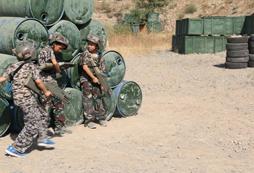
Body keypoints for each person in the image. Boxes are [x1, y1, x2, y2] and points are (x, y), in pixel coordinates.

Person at [0, 40, 55, 157]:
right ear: (31, 54)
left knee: (42, 113)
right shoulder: (31, 66)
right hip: (27, 100)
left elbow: (3, 79)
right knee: (32, 124)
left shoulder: (12, 66)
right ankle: (16, 148)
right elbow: (39, 81)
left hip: (19, 99)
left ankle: (43, 138)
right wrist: (46, 92)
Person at [37, 33, 72, 135]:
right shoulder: (48, 50)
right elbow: (55, 64)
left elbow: (50, 66)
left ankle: (59, 127)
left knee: (58, 103)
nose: (60, 51)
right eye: (60, 48)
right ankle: (44, 129)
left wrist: (61, 67)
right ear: (54, 43)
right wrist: (58, 70)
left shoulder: (48, 51)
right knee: (46, 105)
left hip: (51, 83)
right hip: (46, 83)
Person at [79, 33, 107, 129]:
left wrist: (102, 83)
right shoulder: (85, 54)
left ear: (97, 46)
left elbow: (102, 71)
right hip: (86, 80)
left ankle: (101, 117)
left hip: (97, 81)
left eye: (92, 44)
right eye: (88, 44)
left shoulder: (100, 56)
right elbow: (84, 67)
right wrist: (92, 78)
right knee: (88, 100)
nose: (89, 46)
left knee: (98, 98)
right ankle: (89, 120)